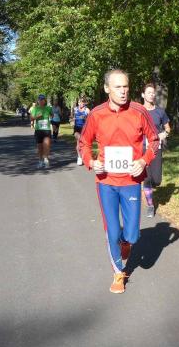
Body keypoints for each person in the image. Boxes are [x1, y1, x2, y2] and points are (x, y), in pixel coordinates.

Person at [79, 70, 160, 294]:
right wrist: (90, 161)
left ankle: (126, 241)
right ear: (107, 89)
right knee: (112, 231)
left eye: (126, 86)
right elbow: (83, 143)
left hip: (131, 181)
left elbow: (154, 141)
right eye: (118, 87)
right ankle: (118, 273)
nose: (123, 91)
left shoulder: (139, 111)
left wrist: (143, 161)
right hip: (106, 181)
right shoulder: (96, 114)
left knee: (132, 235)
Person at [141, 83, 171, 217]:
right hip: (142, 148)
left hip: (156, 147)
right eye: (149, 92)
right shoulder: (138, 111)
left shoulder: (160, 111)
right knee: (147, 178)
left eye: (153, 93)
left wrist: (164, 134)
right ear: (143, 95)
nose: (151, 95)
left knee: (157, 180)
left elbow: (168, 128)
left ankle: (150, 186)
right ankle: (150, 205)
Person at [30, 94, 53, 168]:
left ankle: (46, 159)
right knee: (40, 148)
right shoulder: (35, 109)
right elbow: (31, 118)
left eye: (43, 99)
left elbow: (52, 115)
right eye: (40, 100)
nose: (41, 101)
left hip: (47, 130)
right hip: (38, 130)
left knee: (47, 145)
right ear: (38, 101)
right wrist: (37, 116)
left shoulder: (48, 108)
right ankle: (40, 161)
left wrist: (51, 117)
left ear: (45, 100)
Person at [72, 97, 91, 165]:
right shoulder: (75, 109)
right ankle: (79, 157)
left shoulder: (87, 110)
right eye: (79, 102)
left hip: (84, 129)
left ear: (84, 103)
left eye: (82, 102)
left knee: (82, 143)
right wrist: (72, 121)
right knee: (79, 140)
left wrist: (86, 118)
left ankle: (82, 156)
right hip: (77, 128)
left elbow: (90, 119)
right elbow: (72, 117)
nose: (80, 103)